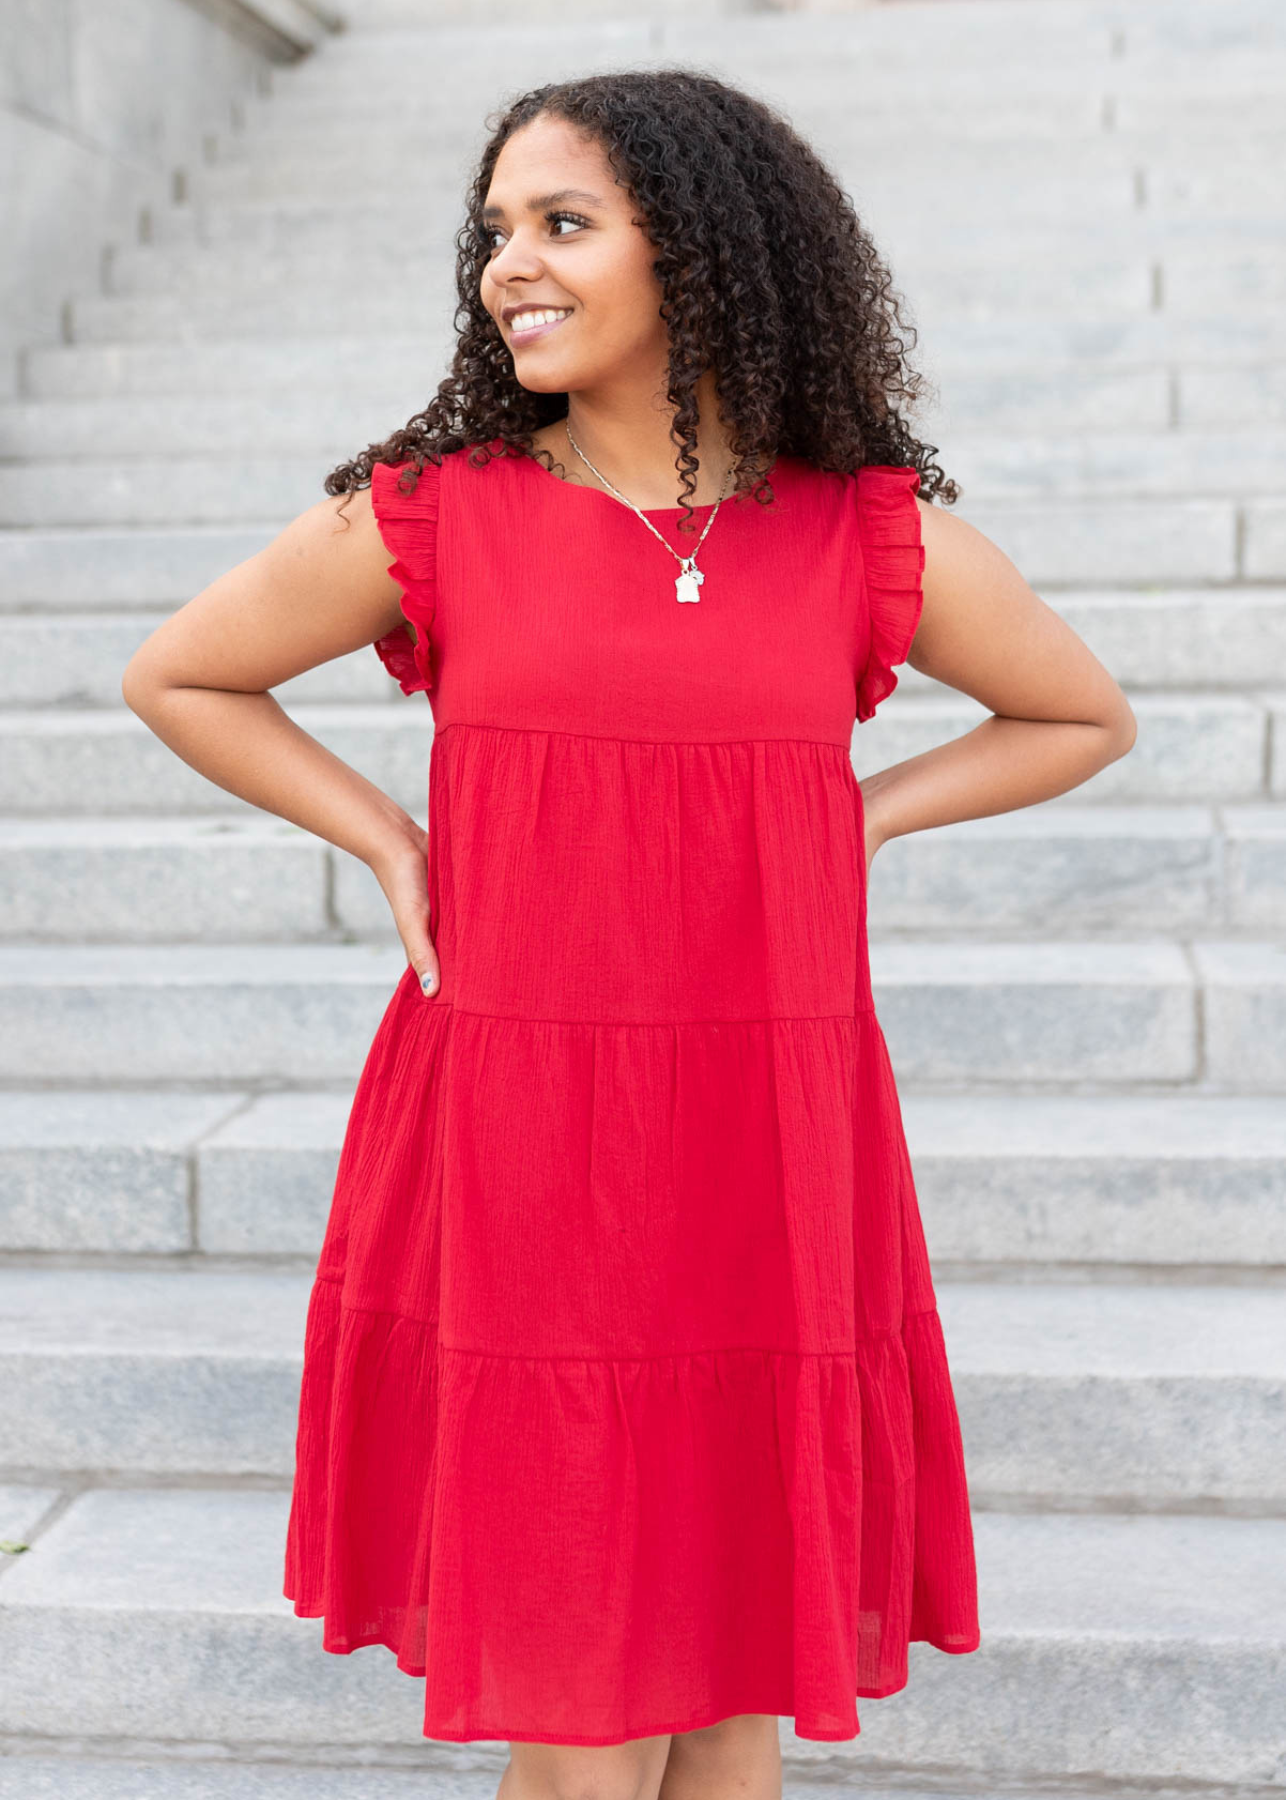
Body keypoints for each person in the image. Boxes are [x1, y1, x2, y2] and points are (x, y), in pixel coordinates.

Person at [122, 67, 1136, 1800]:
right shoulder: (432, 510)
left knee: (735, 1679)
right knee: (588, 1725)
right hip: (523, 1130)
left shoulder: (863, 533)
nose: (510, 262)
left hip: (761, 1133)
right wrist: (387, 838)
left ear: (705, 254)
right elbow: (182, 674)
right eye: (496, 230)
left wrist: (858, 815)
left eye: (563, 223)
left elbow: (1078, 716)